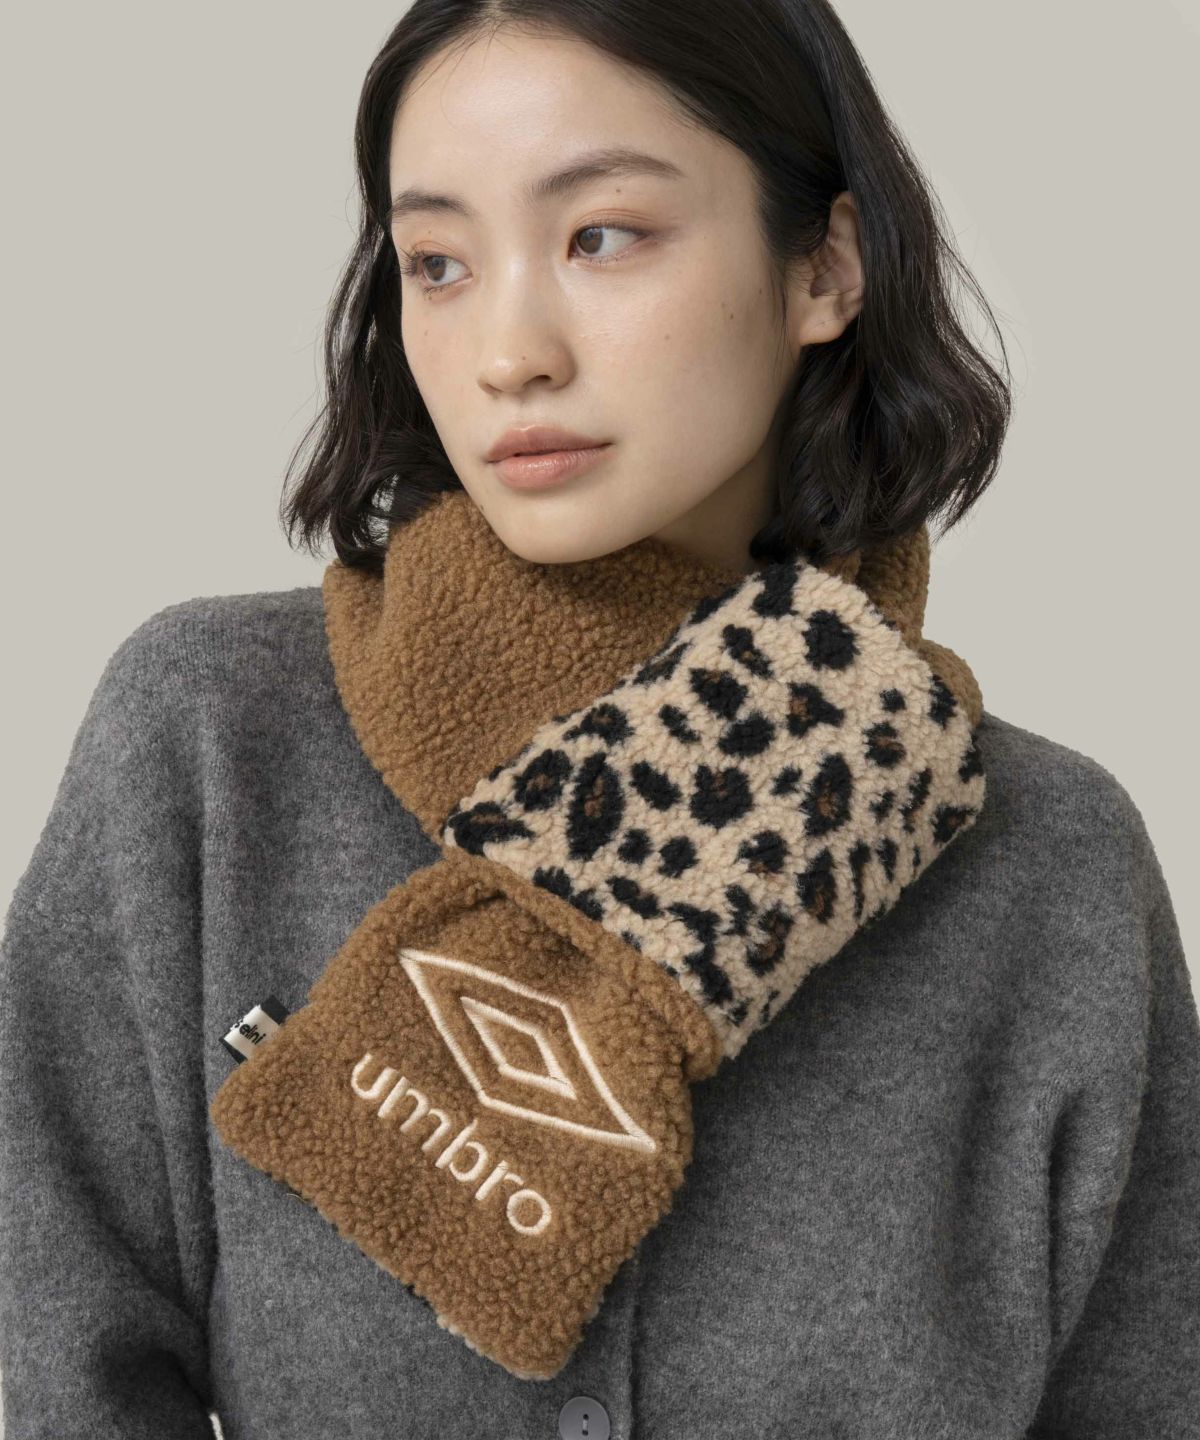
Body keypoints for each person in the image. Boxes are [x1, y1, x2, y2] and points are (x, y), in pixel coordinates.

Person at [2, 1, 1197, 1437]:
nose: (509, 351)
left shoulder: (1052, 871)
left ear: (825, 266)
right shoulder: (209, 746)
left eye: (602, 237)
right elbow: (52, 1370)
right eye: (437, 264)